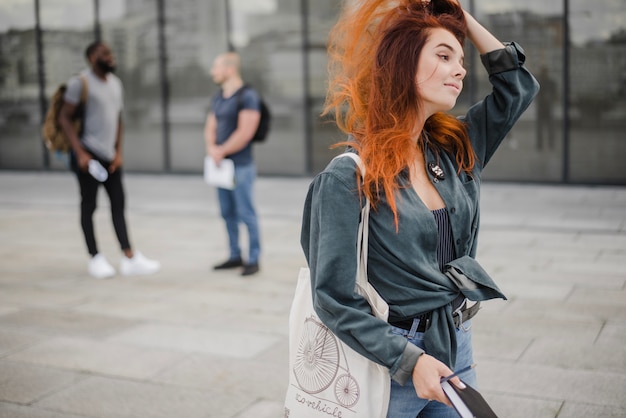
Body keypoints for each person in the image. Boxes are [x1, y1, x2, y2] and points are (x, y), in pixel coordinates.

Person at [300, 1, 539, 416]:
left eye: (461, 60)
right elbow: (333, 296)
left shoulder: (455, 148)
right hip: (389, 361)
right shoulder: (349, 176)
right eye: (443, 56)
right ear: (403, 65)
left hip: (455, 344)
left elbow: (517, 87)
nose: (461, 70)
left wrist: (461, 19)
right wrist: (410, 362)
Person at [59, 41, 161, 279]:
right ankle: (95, 258)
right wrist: (81, 153)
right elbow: (65, 118)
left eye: (111, 53)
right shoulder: (80, 83)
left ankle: (129, 257)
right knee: (89, 205)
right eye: (105, 54)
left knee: (118, 204)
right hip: (88, 156)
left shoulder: (116, 84)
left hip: (110, 157)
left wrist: (118, 152)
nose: (111, 57)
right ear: (93, 57)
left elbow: (118, 120)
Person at [204, 52, 262, 277]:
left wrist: (222, 150)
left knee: (246, 213)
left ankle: (254, 258)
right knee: (227, 212)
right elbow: (210, 126)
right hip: (221, 167)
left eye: (215, 67)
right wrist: (212, 149)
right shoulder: (218, 97)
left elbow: (245, 132)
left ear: (229, 69)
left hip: (241, 166)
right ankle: (235, 254)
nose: (212, 72)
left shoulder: (248, 96)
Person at [535, 65, 558, 150]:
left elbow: (555, 95)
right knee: (542, 128)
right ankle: (542, 144)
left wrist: (549, 98)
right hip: (543, 108)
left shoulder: (549, 83)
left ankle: (548, 144)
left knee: (548, 127)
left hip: (546, 108)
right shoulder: (540, 83)